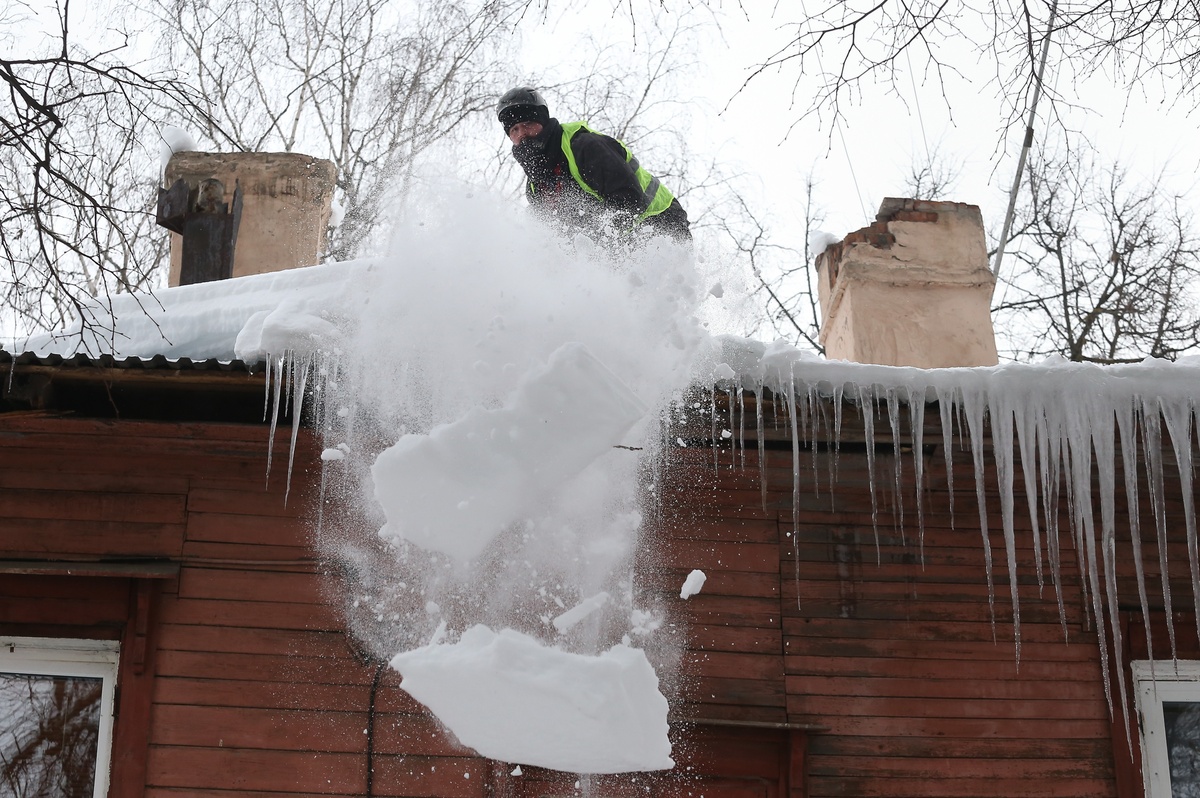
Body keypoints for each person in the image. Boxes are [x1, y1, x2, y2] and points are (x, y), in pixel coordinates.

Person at [497, 86, 690, 243]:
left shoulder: (583, 147)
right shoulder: (535, 187)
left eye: (528, 123)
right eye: (514, 129)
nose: (522, 133)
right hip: (623, 239)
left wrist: (598, 248)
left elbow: (628, 198)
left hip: (660, 220)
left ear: (543, 122)